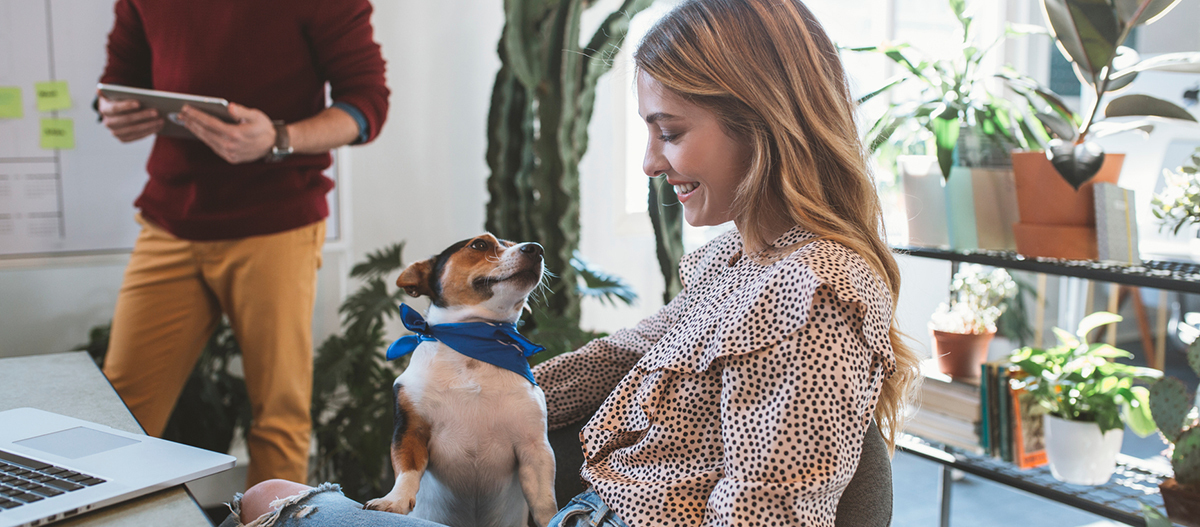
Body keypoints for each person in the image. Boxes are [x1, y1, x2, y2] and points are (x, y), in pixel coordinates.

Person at [222, 0, 918, 525]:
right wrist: (466, 406)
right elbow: (618, 355)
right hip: (569, 509)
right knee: (267, 494)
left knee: (266, 497)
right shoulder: (740, 258)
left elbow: (769, 510)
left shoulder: (811, 294)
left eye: (670, 132)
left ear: (763, 120)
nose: (649, 162)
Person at [95, 0, 389, 488]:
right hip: (170, 219)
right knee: (118, 413)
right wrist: (112, 110)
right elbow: (117, 79)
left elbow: (366, 105)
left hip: (276, 224)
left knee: (279, 416)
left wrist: (278, 137)